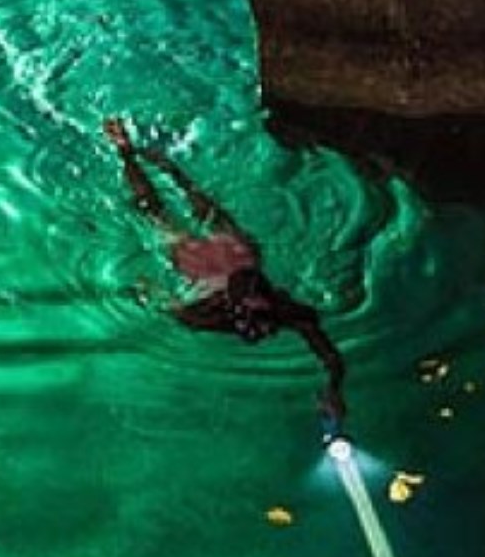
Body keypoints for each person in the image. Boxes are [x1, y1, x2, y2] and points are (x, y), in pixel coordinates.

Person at [103, 117, 348, 431]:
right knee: (200, 207)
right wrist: (334, 389)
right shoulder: (282, 306)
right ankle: (171, 169)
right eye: (258, 289)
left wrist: (145, 289)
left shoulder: (206, 314)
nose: (256, 289)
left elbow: (167, 305)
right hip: (233, 256)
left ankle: (127, 153)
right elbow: (330, 358)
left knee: (156, 215)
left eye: (250, 292)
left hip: (200, 266)